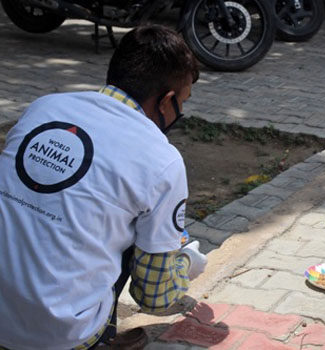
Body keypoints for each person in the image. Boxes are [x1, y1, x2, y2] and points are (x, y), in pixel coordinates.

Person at [0, 24, 208, 350]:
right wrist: (186, 262)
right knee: (142, 234)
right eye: (183, 101)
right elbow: (153, 298)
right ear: (166, 101)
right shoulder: (162, 159)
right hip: (56, 335)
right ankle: (96, 336)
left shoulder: (44, 107)